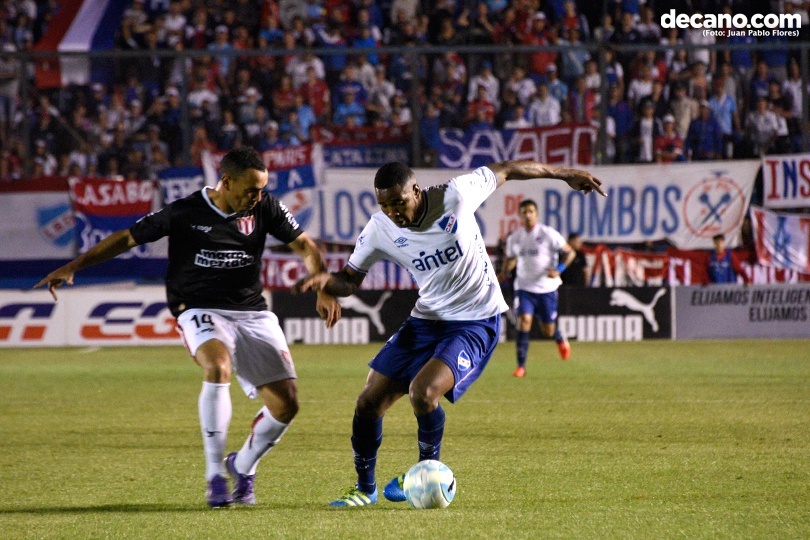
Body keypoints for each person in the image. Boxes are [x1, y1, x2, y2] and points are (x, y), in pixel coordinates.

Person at [35, 147, 341, 508]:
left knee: (286, 405)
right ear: (226, 182)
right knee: (217, 367)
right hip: (197, 306)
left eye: (261, 190)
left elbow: (304, 245)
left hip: (251, 312)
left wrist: (323, 285)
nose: (257, 197)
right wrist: (74, 266)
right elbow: (127, 237)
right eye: (250, 190)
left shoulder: (266, 207)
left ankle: (243, 465)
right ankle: (215, 476)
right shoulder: (185, 211)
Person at [294, 160, 605, 507]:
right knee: (368, 402)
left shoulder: (456, 194)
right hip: (426, 320)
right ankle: (365, 489)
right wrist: (327, 282)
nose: (393, 212)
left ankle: (426, 471)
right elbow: (350, 280)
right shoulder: (380, 228)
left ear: (416, 191)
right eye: (384, 205)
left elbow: (508, 169)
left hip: (476, 320)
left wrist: (565, 174)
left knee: (423, 392)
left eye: (398, 202)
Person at [498, 200, 574, 378]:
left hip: (547, 288)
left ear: (537, 214)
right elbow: (511, 259)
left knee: (548, 330)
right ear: (520, 215)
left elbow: (570, 252)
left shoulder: (548, 234)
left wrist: (559, 270)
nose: (528, 215)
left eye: (531, 211)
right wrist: (503, 272)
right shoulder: (515, 238)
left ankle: (559, 337)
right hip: (524, 287)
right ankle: (521, 366)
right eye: (524, 212)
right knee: (524, 321)